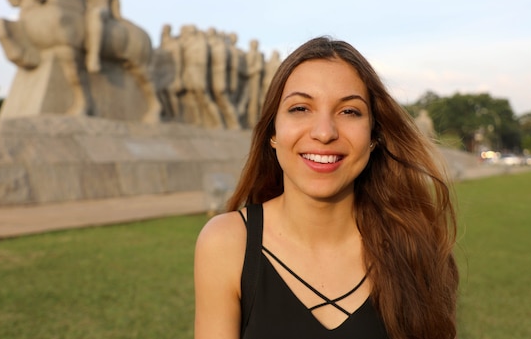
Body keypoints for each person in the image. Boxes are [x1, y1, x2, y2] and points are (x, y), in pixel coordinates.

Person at [194, 37, 458, 339]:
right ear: (273, 132)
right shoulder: (226, 244)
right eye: (300, 108)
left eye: (349, 112)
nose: (324, 133)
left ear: (374, 136)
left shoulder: (414, 242)